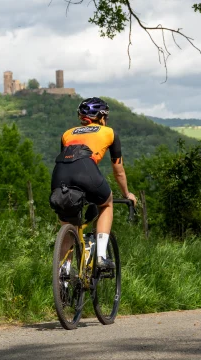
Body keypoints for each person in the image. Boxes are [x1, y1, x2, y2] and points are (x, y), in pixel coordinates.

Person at [50, 97, 137, 269]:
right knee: (106, 203)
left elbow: (68, 163)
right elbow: (118, 170)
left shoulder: (67, 134)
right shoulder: (109, 132)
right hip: (86, 171)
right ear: (102, 116)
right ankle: (101, 256)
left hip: (60, 175)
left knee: (69, 224)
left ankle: (64, 273)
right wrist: (127, 194)